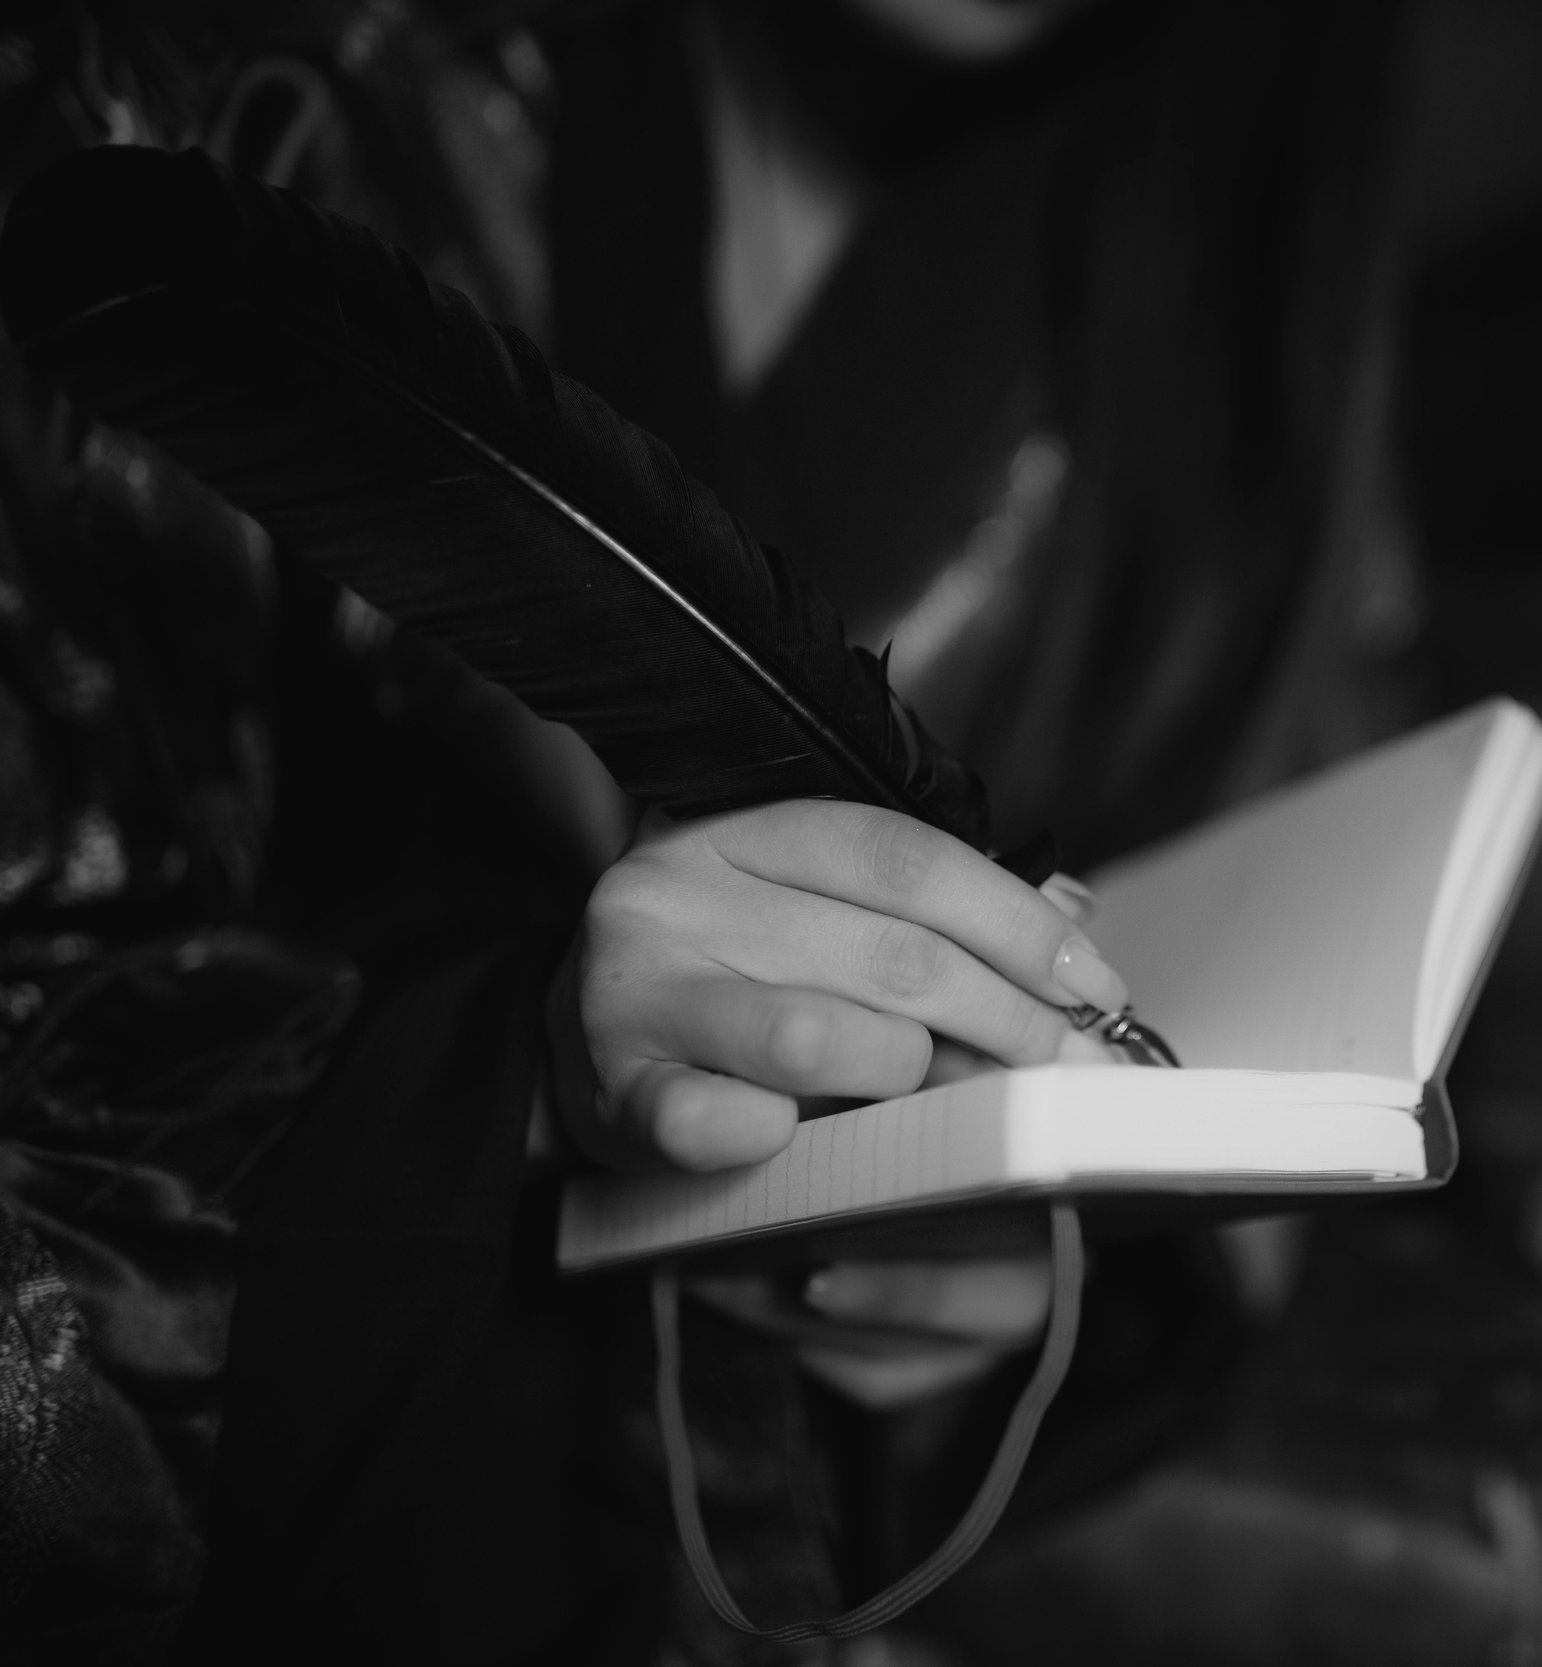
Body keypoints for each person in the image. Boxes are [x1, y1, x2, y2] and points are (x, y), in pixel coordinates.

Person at [0, 0, 1401, 1658]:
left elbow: (1278, 1006)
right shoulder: (221, 107)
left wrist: (1033, 1256)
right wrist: (500, 1103)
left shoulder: (1224, 300)